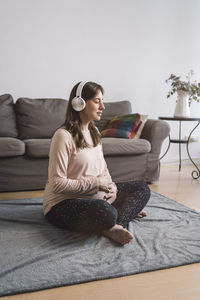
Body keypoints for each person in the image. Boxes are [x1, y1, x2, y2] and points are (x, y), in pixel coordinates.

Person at [43, 81, 150, 245]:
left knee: (142, 189)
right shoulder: (63, 135)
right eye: (97, 101)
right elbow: (57, 184)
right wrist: (96, 182)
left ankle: (114, 226)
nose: (103, 106)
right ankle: (112, 220)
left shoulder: (95, 133)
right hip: (63, 204)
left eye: (102, 100)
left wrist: (112, 187)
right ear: (79, 103)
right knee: (105, 211)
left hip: (97, 198)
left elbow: (103, 170)